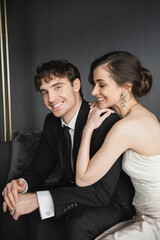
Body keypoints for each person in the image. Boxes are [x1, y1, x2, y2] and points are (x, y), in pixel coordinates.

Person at [0, 59, 135, 240]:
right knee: (9, 204)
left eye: (57, 87)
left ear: (76, 85)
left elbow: (101, 193)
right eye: (44, 92)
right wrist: (22, 184)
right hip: (73, 191)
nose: (51, 99)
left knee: (78, 222)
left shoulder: (105, 121)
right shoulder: (52, 122)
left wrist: (39, 200)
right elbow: (40, 168)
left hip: (111, 201)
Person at [75, 51, 160, 240]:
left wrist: (87, 129)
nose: (94, 92)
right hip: (144, 214)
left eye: (101, 84)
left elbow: (82, 179)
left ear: (126, 87)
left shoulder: (126, 127)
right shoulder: (143, 116)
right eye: (94, 84)